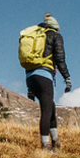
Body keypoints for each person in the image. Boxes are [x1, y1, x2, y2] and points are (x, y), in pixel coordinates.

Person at [24, 13, 71, 151]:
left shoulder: (35, 36)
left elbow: (30, 60)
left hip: (30, 76)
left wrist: (30, 88)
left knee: (51, 107)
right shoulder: (55, 36)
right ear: (55, 27)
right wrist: (67, 78)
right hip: (44, 76)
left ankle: (56, 141)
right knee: (46, 110)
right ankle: (46, 145)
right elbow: (60, 59)